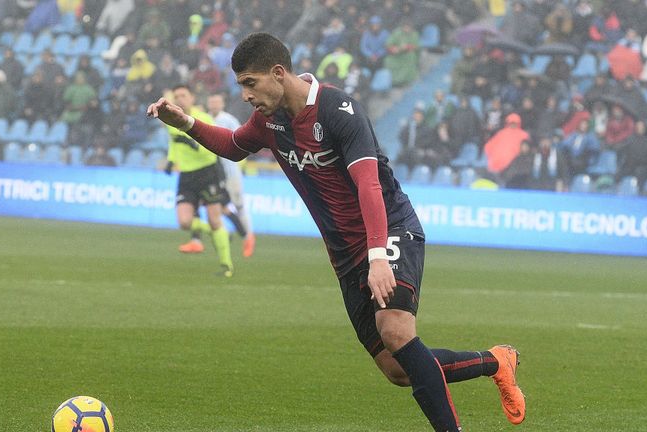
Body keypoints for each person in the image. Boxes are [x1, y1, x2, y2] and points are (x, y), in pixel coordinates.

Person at [147, 32, 526, 431]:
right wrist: (186, 123)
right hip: (345, 255)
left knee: (396, 331)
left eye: (249, 83)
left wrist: (378, 256)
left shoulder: (339, 110)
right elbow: (234, 145)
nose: (244, 94)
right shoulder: (268, 120)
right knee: (398, 370)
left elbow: (369, 184)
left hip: (390, 229)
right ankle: (495, 361)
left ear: (278, 73)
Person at [164, 85, 234, 277]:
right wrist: (171, 160)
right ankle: (219, 233)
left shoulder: (203, 119)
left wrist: (191, 143)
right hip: (186, 175)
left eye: (183, 95)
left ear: (192, 98)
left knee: (214, 219)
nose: (179, 99)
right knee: (184, 222)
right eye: (176, 95)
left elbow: (212, 147)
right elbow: (173, 141)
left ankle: (226, 265)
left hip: (207, 172)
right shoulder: (170, 119)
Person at [206, 93, 256, 258]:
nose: (214, 104)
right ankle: (229, 234)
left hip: (231, 171)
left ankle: (249, 236)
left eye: (216, 101)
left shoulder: (228, 120)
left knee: (239, 205)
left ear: (222, 103)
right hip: (213, 172)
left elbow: (242, 139)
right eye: (211, 101)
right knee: (217, 206)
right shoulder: (205, 119)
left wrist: (242, 164)